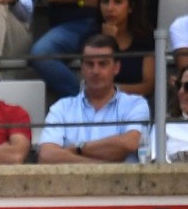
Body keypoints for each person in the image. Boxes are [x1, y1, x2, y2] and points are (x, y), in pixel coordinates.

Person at [37, 33, 149, 164]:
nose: (96, 71)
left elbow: (130, 143)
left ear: (116, 68)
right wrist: (103, 167)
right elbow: (46, 156)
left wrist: (77, 148)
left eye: (103, 64)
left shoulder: (135, 104)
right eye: (90, 64)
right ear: (82, 68)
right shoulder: (61, 108)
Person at [97, 0, 154, 99]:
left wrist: (113, 90)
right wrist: (107, 42)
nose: (109, 8)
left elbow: (148, 86)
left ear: (131, 7)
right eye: (105, 1)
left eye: (117, 1)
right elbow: (94, 81)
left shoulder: (144, 38)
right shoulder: (91, 36)